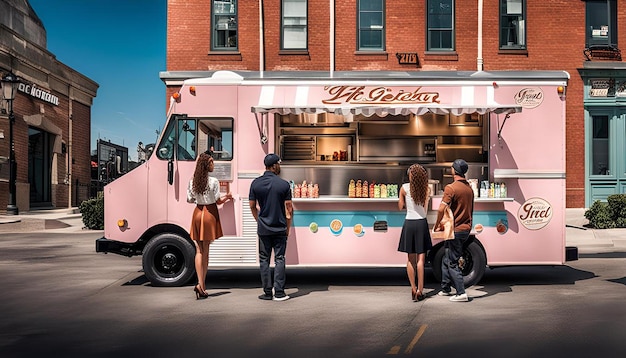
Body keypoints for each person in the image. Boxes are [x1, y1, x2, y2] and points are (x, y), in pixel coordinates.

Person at [187, 152, 232, 299]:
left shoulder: (193, 181)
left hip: (198, 212)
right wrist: (228, 197)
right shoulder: (213, 181)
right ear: (207, 165)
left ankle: (201, 285)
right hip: (210, 214)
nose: (213, 165)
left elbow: (189, 199)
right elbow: (218, 201)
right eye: (212, 162)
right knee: (206, 252)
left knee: (198, 251)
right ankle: (201, 285)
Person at [249, 153, 294, 301]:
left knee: (264, 259)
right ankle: (279, 293)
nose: (280, 166)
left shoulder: (255, 183)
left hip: (264, 228)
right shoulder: (284, 185)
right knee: (280, 258)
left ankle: (267, 293)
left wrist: (259, 220)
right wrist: (287, 228)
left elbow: (252, 206)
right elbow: (289, 209)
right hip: (279, 227)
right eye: (279, 164)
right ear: (274, 166)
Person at [433, 159, 474, 302]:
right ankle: (445, 288)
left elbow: (441, 208)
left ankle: (461, 293)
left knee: (452, 261)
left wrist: (437, 224)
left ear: (454, 170)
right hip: (465, 228)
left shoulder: (451, 188)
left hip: (454, 229)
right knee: (447, 256)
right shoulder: (469, 188)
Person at [397, 164, 432, 302]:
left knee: (410, 260)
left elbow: (400, 207)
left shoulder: (404, 188)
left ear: (410, 175)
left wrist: (405, 202)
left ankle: (412, 287)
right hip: (421, 223)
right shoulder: (427, 189)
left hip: (409, 223)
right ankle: (420, 290)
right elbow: (425, 208)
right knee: (421, 261)